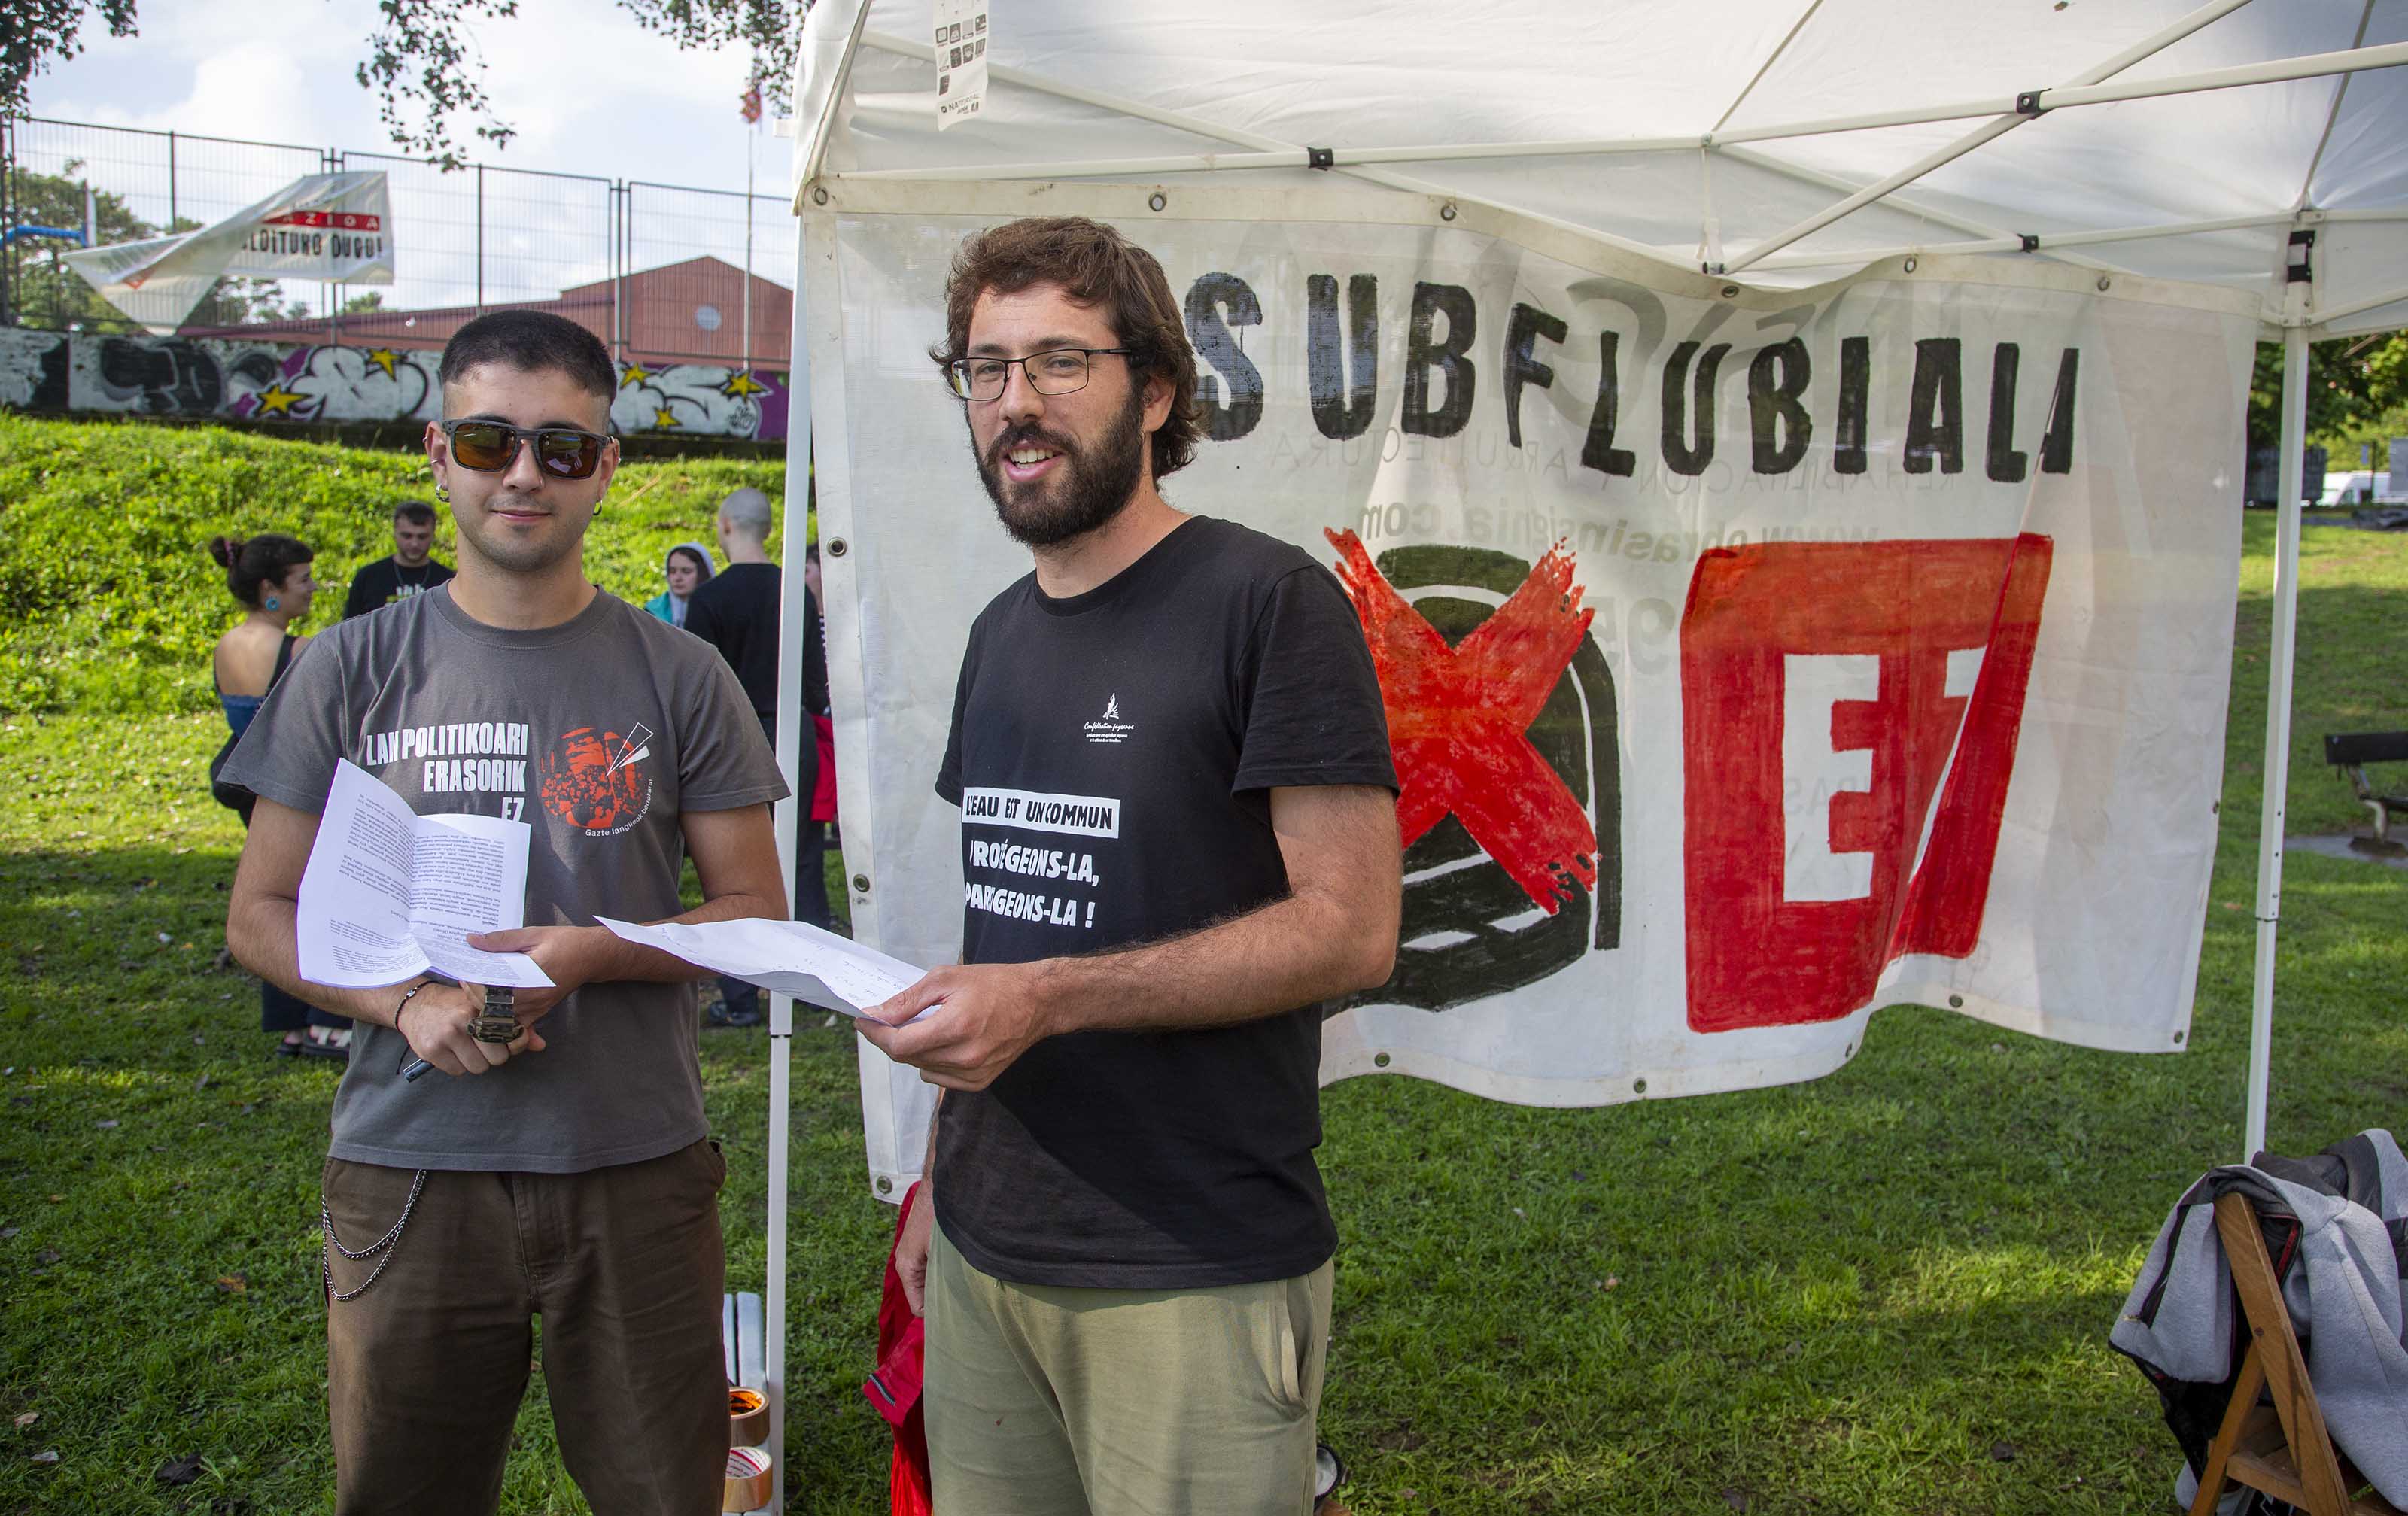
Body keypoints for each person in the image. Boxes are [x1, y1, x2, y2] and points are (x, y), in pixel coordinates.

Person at [856, 216, 1403, 1516]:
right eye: (984, 369)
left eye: (1059, 361)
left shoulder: (1269, 603)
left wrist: (1052, 998)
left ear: (1155, 391)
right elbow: (1008, 930)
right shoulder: (998, 633)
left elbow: (1351, 929)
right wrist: (943, 1183)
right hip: (989, 1253)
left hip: (1192, 1260)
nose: (1014, 405)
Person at [221, 308, 789, 1516]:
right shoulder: (348, 664)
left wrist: (597, 952)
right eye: (489, 442)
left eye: (562, 448)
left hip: (633, 1159)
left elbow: (753, 909)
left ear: (607, 468)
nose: (524, 473)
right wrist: (405, 1002)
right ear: (438, 453)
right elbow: (262, 912)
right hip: (410, 1161)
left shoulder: (680, 672)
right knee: (403, 1493)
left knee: (665, 1493)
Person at [685, 488, 834, 1025]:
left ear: (725, 526)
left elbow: (695, 693)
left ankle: (741, 998)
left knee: (730, 878)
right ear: (767, 529)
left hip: (732, 745)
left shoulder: (709, 599)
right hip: (793, 736)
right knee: (805, 863)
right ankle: (818, 988)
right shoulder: (795, 589)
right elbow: (818, 684)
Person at [209, 533, 353, 1061]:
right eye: (303, 580)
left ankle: (289, 1023)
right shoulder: (300, 650)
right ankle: (326, 1020)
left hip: (247, 782)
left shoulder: (227, 645)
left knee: (276, 895)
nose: (312, 590)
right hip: (294, 784)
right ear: (271, 589)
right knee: (320, 899)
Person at [341, 500, 455, 618]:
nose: (414, 544)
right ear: (395, 533)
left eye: (422, 537)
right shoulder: (368, 578)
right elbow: (350, 629)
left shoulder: (447, 581)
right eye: (407, 536)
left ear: (433, 535)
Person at [643, 542, 715, 628]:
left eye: (686, 571)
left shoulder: (717, 610)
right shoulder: (653, 611)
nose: (678, 578)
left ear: (703, 574)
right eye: (672, 571)